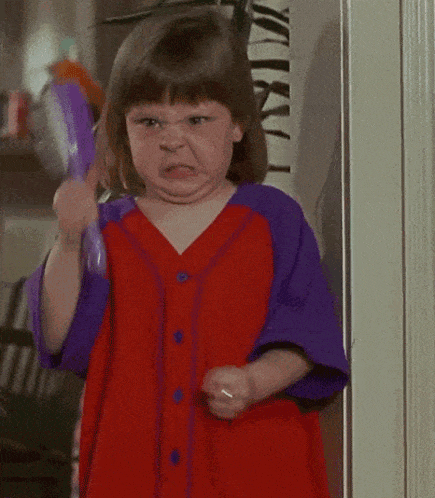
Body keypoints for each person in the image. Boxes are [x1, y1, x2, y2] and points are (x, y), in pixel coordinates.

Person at [25, 7, 349, 498]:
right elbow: (57, 334)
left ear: (238, 125)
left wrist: (255, 381)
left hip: (255, 474)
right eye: (149, 121)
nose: (173, 140)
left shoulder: (275, 220)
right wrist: (69, 239)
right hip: (131, 475)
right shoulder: (105, 230)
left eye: (197, 118)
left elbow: (307, 340)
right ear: (122, 129)